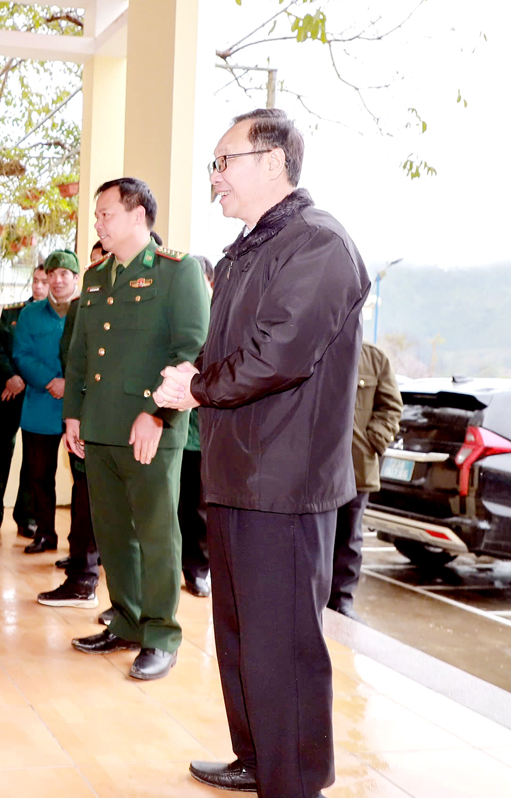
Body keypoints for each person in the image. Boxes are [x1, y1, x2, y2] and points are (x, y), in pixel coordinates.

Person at [153, 108, 369, 797]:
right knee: (243, 638)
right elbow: (231, 353)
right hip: (238, 473)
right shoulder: (250, 248)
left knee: (285, 648)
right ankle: (258, 757)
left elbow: (277, 354)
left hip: (285, 480)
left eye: (224, 161)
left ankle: (294, 779)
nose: (214, 178)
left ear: (271, 162)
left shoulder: (319, 244)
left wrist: (195, 386)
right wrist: (193, 374)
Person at [63, 177, 209, 681]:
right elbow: (80, 352)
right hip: (100, 428)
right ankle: (125, 621)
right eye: (97, 214)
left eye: (106, 212)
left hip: (149, 426)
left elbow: (190, 352)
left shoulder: (177, 271)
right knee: (113, 534)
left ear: (138, 215)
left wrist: (160, 414)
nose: (97, 221)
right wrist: (74, 414)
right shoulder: (97, 276)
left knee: (156, 534)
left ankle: (161, 633)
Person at [39, 243, 105, 608]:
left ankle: (131, 605)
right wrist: (73, 416)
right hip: (89, 419)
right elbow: (73, 358)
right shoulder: (84, 304)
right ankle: (82, 577)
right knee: (84, 500)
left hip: (136, 421)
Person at [13, 251, 79, 555]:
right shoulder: (30, 314)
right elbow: (21, 355)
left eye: (65, 274)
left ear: (76, 278)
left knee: (83, 481)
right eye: (52, 274)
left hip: (79, 407)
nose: (58, 280)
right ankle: (45, 534)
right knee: (39, 476)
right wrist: (52, 381)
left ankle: (81, 544)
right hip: (40, 404)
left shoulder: (87, 310)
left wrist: (70, 383)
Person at [331, 342, 402, 619]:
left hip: (357, 467)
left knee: (349, 538)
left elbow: (391, 406)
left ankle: (341, 600)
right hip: (316, 468)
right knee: (313, 538)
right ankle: (311, 599)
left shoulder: (375, 359)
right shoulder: (320, 345)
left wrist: (373, 440)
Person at [0, 265, 47, 538]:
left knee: (32, 458)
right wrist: (10, 377)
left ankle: (26, 516)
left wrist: (26, 380)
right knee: (0, 455)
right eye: (36, 281)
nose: (39, 286)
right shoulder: (12, 314)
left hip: (36, 396)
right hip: (7, 393)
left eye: (45, 281)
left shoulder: (59, 317)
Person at [178, 254, 217, 599]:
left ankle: (197, 569)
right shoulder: (178, 317)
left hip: (202, 435)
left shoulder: (221, 320)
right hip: (172, 427)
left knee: (198, 508)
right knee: (171, 505)